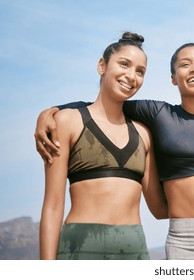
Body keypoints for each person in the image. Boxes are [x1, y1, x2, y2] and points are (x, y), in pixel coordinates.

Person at [35, 43, 194, 260]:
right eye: (184, 64)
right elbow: (107, 104)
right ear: (173, 78)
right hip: (184, 240)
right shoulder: (158, 114)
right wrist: (51, 112)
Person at [39, 32, 158, 260]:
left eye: (140, 71)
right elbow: (53, 206)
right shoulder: (67, 122)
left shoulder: (143, 134)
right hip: (81, 248)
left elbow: (159, 207)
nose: (131, 76)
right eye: (124, 64)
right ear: (102, 66)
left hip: (134, 252)